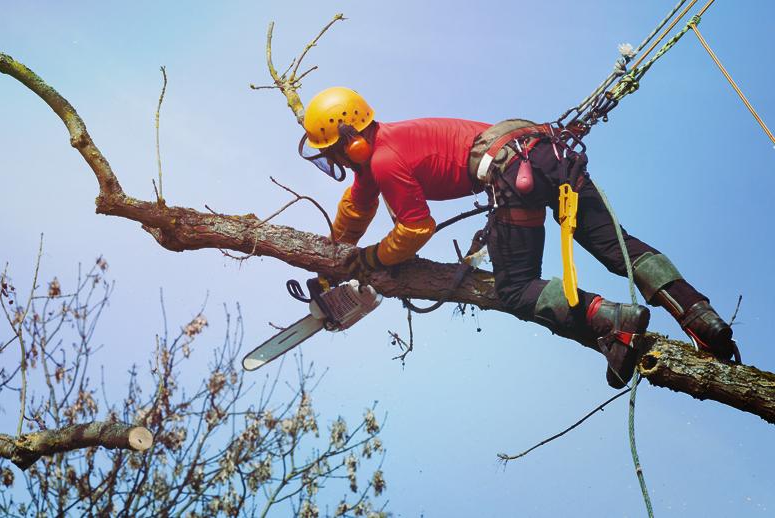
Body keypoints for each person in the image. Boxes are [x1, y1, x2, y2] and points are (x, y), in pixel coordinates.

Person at [299, 86, 737, 388]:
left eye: (333, 152)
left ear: (350, 140)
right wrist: (330, 264)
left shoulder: (384, 159)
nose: (337, 162)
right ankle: (700, 316)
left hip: (513, 176)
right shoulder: (383, 152)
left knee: (515, 288)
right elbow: (355, 210)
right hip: (547, 154)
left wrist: (371, 259)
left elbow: (415, 228)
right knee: (615, 246)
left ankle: (614, 321)